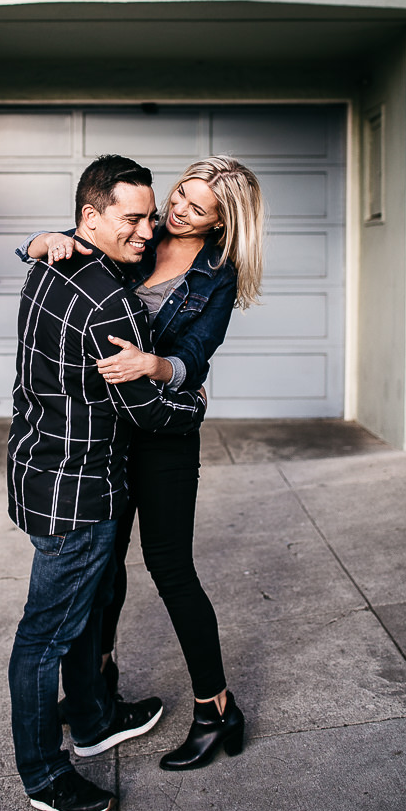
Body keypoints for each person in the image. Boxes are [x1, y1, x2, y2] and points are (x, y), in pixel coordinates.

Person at [22, 156, 264, 772]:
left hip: (164, 438)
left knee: (170, 568)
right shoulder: (141, 233)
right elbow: (91, 232)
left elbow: (192, 358)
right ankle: (98, 698)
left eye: (196, 207)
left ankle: (216, 708)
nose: (177, 211)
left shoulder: (217, 276)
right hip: (112, 429)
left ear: (221, 222)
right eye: (179, 195)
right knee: (102, 573)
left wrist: (155, 367)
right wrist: (39, 241)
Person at [8, 155, 206, 811]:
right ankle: (44, 774)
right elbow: (147, 410)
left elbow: (40, 247)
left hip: (40, 469)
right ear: (90, 217)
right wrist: (196, 402)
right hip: (78, 491)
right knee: (46, 639)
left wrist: (37, 238)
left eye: (152, 217)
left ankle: (93, 718)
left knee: (92, 604)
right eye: (133, 218)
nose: (148, 231)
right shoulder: (108, 300)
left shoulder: (52, 263)